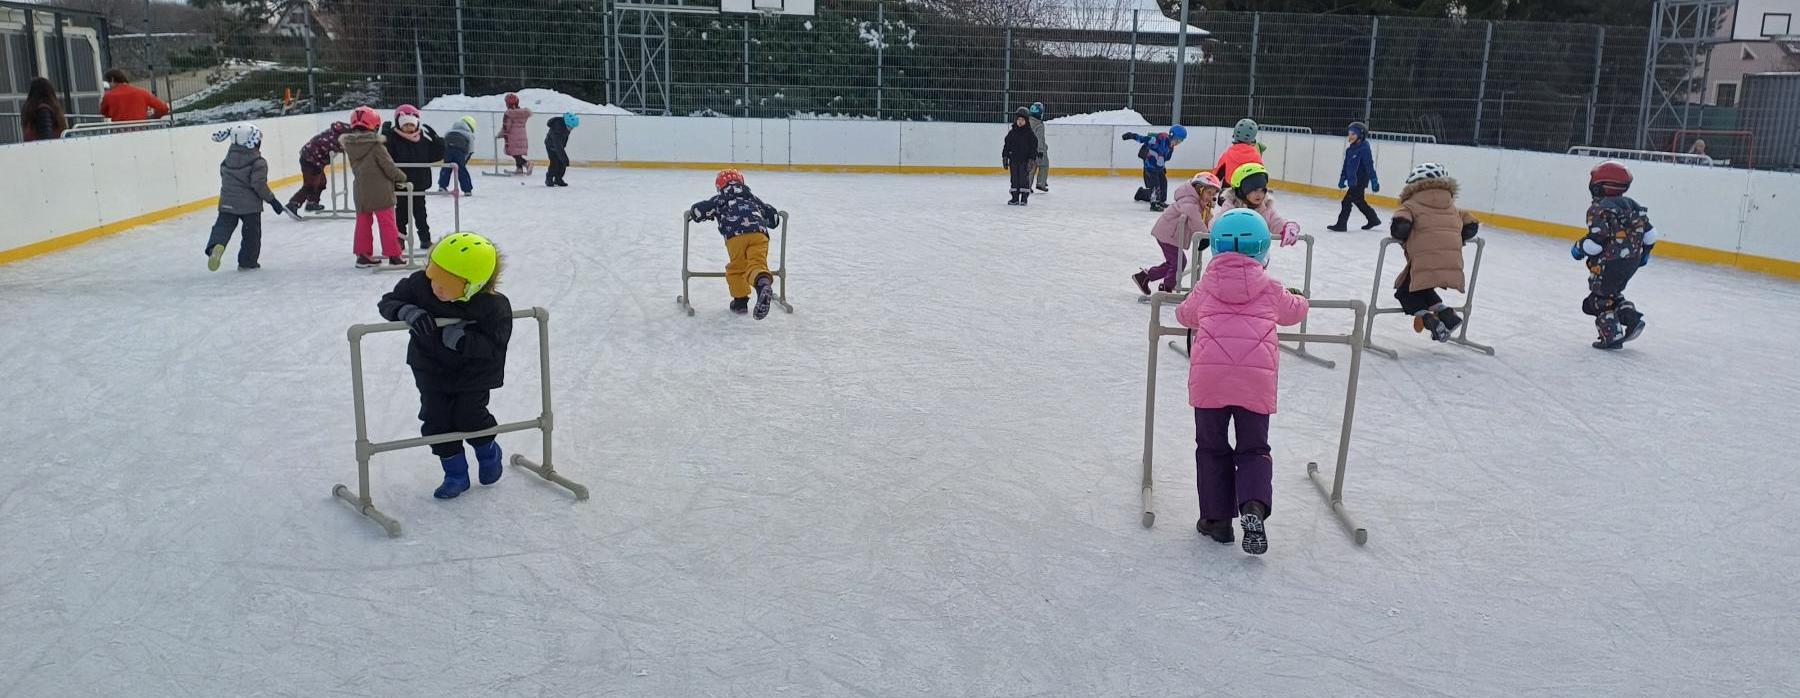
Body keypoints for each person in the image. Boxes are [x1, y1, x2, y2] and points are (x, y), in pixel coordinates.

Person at [1175, 209, 1308, 555]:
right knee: (1253, 449)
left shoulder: (1205, 286)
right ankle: (1252, 505)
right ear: (1264, 249)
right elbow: (1294, 312)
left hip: (1210, 383)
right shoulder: (1270, 288)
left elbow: (1184, 315)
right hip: (1254, 383)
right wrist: (1300, 296)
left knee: (1211, 448)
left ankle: (1217, 521)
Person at [376, 232, 512, 500]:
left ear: (471, 285)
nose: (436, 287)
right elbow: (388, 301)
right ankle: (455, 474)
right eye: (434, 274)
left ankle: (488, 451)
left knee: (469, 416)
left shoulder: (492, 305)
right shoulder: (420, 285)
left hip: (472, 374)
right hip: (430, 368)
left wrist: (464, 341)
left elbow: (495, 348)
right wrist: (406, 311)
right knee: (435, 420)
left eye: (447, 282)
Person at [1388, 163, 1479, 341]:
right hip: (1452, 262)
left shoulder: (1410, 205)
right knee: (1421, 287)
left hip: (1424, 261)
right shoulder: (1453, 208)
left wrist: (1402, 232)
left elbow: (1401, 227)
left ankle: (1429, 320)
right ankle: (1447, 315)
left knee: (1403, 292)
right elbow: (1471, 225)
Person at [1573, 161, 1656, 350]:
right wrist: (1646, 253)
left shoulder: (1599, 208)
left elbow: (1596, 242)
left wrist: (1578, 248)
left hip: (1608, 263)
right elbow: (1651, 235)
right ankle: (1631, 316)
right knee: (1612, 293)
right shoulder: (1633, 205)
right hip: (1631, 261)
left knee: (1597, 301)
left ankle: (1612, 336)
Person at [687, 169, 782, 319]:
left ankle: (740, 302)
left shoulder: (720, 199)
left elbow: (701, 209)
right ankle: (763, 283)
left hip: (735, 235)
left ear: (719, 187)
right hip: (759, 233)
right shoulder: (752, 198)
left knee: (737, 269)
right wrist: (772, 216)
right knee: (757, 264)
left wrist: (694, 213)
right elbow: (773, 218)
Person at [203, 123, 298, 271]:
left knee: (222, 227)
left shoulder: (227, 160)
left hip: (227, 202)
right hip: (250, 207)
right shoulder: (258, 162)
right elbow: (258, 185)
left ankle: (215, 247)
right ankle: (247, 262)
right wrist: (273, 201)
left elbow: (223, 175)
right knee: (251, 235)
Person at [341, 105, 409, 267]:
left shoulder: (349, 145)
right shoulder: (376, 146)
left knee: (363, 222)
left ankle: (363, 255)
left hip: (361, 191)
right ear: (375, 125)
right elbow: (389, 167)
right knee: (387, 223)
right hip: (381, 192)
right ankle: (394, 255)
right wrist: (402, 178)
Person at [1133, 172, 1219, 296]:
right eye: (1208, 193)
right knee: (1179, 262)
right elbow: (1195, 221)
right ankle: (1166, 288)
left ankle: (1145, 277)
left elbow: (1206, 219)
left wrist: (1211, 230)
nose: (1210, 197)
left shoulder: (1197, 202)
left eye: (1213, 194)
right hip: (1167, 235)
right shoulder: (1189, 202)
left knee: (1175, 263)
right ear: (1199, 189)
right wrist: (1205, 236)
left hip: (1170, 235)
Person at [382, 104, 443, 248]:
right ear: (398, 123)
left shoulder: (422, 139)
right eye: (405, 125)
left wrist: (438, 142)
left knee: (421, 213)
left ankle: (425, 239)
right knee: (402, 214)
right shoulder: (393, 138)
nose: (408, 128)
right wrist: (385, 137)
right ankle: (400, 239)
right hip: (401, 183)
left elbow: (434, 156)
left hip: (419, 183)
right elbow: (386, 155)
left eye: (411, 124)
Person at [1219, 163, 1300, 249]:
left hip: (1257, 253)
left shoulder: (1265, 207)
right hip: (1230, 251)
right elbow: (1217, 224)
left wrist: (1287, 227)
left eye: (1262, 190)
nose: (1259, 194)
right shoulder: (1231, 205)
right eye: (1254, 190)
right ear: (1241, 191)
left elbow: (1276, 221)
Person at [1329, 121, 1383, 231]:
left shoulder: (1364, 149)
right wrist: (1342, 178)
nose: (1350, 136)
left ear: (1360, 135)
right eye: (1349, 133)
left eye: (1353, 134)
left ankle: (1341, 225)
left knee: (1346, 202)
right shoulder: (1350, 150)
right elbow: (1345, 166)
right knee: (1359, 201)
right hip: (1353, 181)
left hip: (1360, 181)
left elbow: (1369, 165)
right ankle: (1373, 219)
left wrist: (1374, 180)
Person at [288, 121, 349, 214]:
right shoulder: (335, 138)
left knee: (321, 182)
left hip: (316, 160)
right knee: (310, 185)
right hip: (309, 160)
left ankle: (312, 203)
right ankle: (293, 204)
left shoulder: (338, 132)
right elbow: (338, 146)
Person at [1123, 125, 1186, 211]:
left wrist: (1162, 166)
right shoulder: (1160, 138)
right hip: (1150, 166)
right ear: (1171, 135)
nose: (1178, 142)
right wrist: (1131, 135)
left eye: (1181, 140)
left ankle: (1141, 193)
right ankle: (1153, 204)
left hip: (1159, 168)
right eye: (1177, 139)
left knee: (1163, 194)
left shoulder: (1171, 147)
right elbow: (1143, 139)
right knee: (1155, 187)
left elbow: (1165, 158)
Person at [97, 69, 170, 122]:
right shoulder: (142, 92)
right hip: (141, 132)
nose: (109, 86)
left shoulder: (108, 96)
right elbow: (164, 108)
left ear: (112, 79)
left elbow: (104, 112)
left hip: (119, 133)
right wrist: (153, 117)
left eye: (108, 82)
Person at [1003, 107, 1039, 206]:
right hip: (1014, 160)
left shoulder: (1030, 134)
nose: (1020, 122)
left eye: (1022, 120)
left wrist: (1031, 159)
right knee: (1014, 179)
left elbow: (1033, 148)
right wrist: (1005, 157)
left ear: (1026, 121)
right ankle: (1014, 198)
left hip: (1025, 161)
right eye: (1018, 119)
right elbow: (1006, 146)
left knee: (1023, 180)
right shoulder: (1012, 133)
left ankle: (1024, 198)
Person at [1213, 118, 1263, 188]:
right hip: (1248, 192)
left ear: (1234, 134)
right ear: (1252, 138)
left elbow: (1217, 176)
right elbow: (1261, 174)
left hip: (1229, 190)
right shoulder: (1256, 156)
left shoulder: (1228, 154)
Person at [438, 115, 477, 196]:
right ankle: (467, 189)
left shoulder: (449, 131)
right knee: (461, 170)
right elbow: (471, 150)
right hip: (459, 151)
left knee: (446, 167)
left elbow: (444, 141)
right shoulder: (469, 134)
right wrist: (465, 160)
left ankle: (442, 186)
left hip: (447, 150)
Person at [21, 77, 67, 141]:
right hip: (52, 146)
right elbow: (46, 138)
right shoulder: (43, 110)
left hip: (33, 146)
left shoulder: (31, 109)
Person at [499, 93, 532, 175]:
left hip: (512, 137)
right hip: (522, 136)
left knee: (514, 154)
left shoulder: (509, 114)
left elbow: (506, 127)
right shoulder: (522, 113)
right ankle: (519, 168)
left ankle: (527, 163)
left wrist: (499, 134)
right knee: (517, 153)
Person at [544, 112, 577, 187]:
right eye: (570, 127)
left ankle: (558, 179)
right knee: (555, 162)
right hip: (551, 146)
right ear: (566, 123)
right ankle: (549, 178)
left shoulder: (566, 127)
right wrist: (564, 158)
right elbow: (557, 145)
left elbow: (563, 140)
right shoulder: (557, 129)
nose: (571, 129)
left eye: (572, 128)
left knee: (562, 163)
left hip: (559, 146)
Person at [1028, 101, 1049, 192]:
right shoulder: (1039, 125)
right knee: (1044, 165)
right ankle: (1041, 183)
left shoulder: (1028, 122)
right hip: (1038, 149)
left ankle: (1027, 185)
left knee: (1031, 167)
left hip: (1028, 148)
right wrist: (1041, 150)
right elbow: (1039, 139)